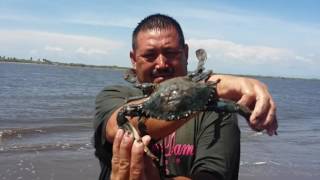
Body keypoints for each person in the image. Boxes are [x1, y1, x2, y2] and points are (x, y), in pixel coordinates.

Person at [94, 13, 278, 180]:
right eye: (149, 55)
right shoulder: (116, 96)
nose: (161, 64)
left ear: (186, 53)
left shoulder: (215, 110)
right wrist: (211, 87)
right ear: (133, 60)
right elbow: (115, 128)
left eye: (171, 53)